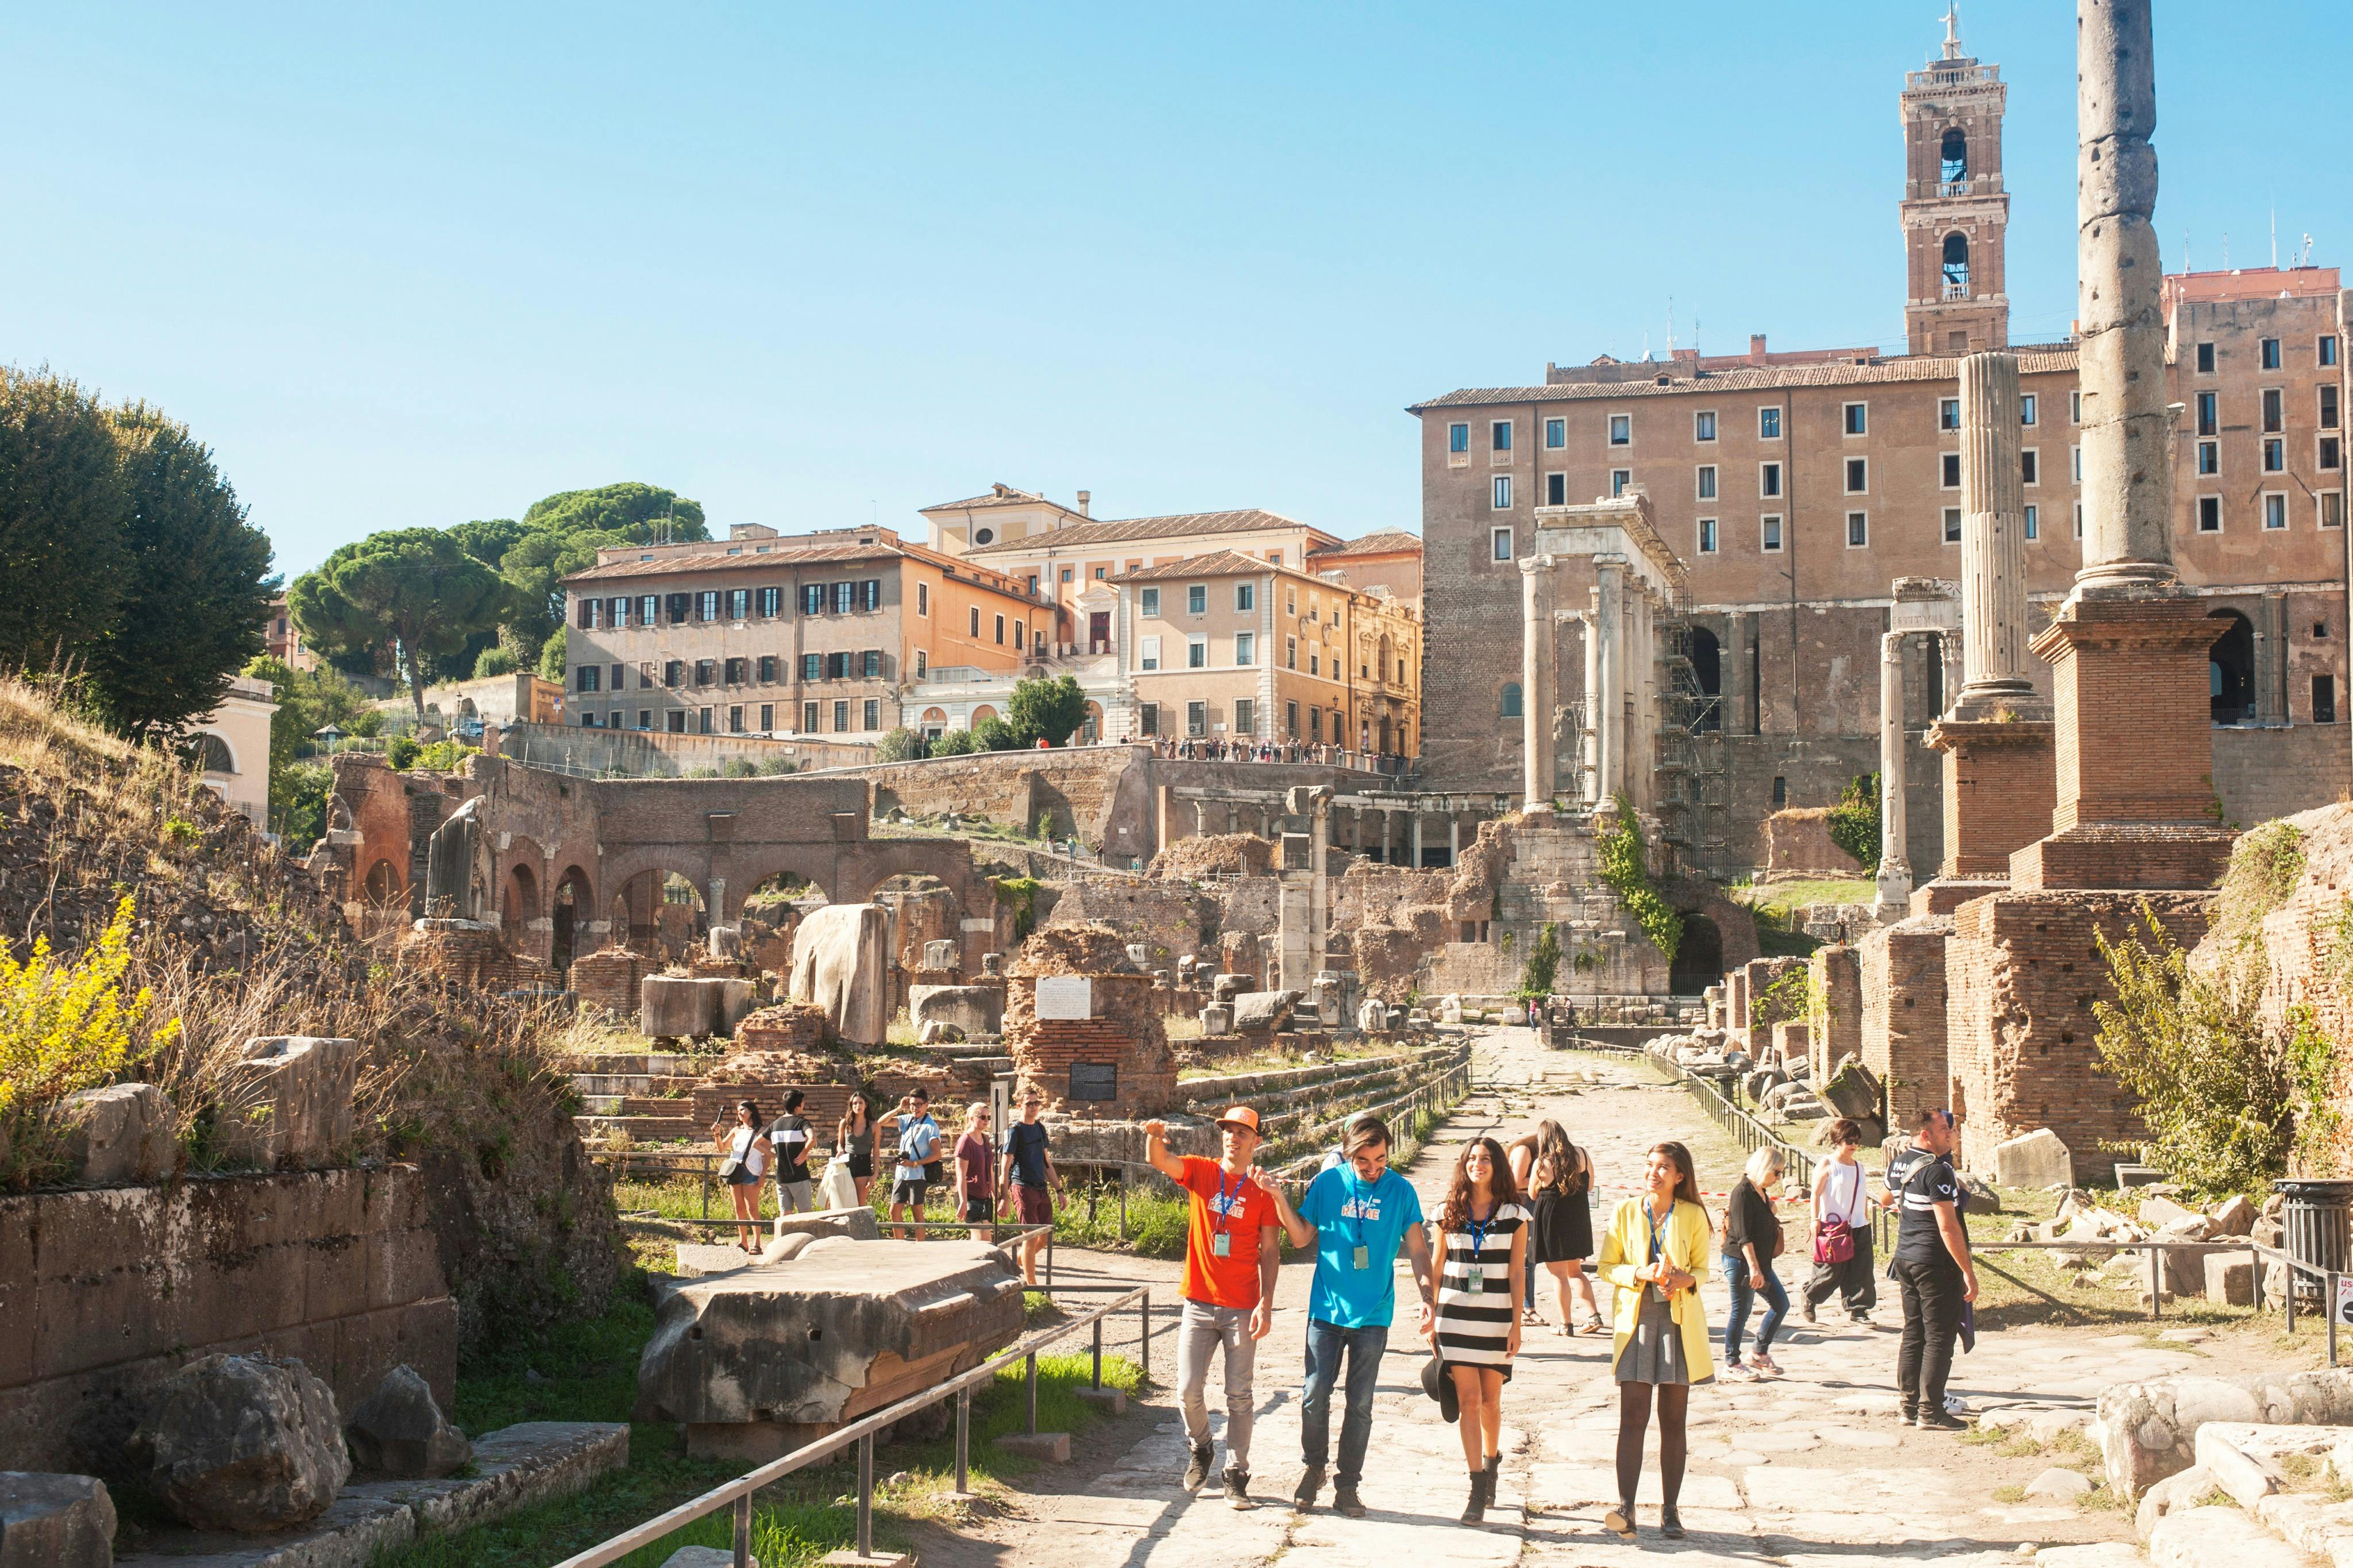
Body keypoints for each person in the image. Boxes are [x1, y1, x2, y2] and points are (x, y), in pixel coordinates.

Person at [1251, 1113, 1436, 1519]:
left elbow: (1419, 1250)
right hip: (1327, 1309)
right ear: (1349, 1154)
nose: (1373, 1169)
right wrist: (1279, 1198)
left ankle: (1348, 1485)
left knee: (1361, 1402)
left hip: (1374, 1313)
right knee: (1315, 1393)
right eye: (1364, 1162)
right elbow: (1301, 1237)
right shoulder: (1328, 1184)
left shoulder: (1401, 1190)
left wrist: (1428, 1296)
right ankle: (1313, 1468)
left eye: (1381, 1160)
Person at [1143, 1106, 1281, 1511]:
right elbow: (1160, 1160)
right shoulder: (1203, 1171)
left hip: (1242, 1306)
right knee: (1188, 1391)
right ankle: (1202, 1446)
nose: (1233, 1137)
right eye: (1228, 1131)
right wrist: (1154, 1135)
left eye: (1243, 1132)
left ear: (1256, 1141)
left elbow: (1271, 1251)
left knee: (1240, 1395)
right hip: (1199, 1300)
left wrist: (1267, 1303)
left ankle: (1236, 1474)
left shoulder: (1262, 1189)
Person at [1595, 1141, 1715, 1542]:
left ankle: (1670, 1510)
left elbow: (1703, 1270)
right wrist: (1639, 1273)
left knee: (1673, 1420)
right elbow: (1606, 1267)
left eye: (1664, 1167)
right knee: (1633, 1416)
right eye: (1650, 1165)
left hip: (1678, 1323)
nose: (1654, 1173)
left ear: (1680, 1176)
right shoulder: (1626, 1211)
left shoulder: (1693, 1215)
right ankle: (1625, 1506)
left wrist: (1686, 1279)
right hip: (1637, 1322)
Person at [1430, 1134, 1527, 1526]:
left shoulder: (1515, 1216)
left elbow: (1518, 1273)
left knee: (1491, 1401)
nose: (1478, 1165)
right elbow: (1437, 1265)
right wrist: (1429, 1314)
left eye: (1486, 1159)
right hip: (1454, 1317)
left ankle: (1491, 1462)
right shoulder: (1446, 1212)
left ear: (1497, 1165)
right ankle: (1475, 1486)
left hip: (1496, 1318)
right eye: (1472, 1158)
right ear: (1464, 1164)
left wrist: (1517, 1323)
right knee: (1468, 1400)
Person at [1882, 1107, 1978, 1431]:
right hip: (1935, 1262)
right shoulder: (1937, 1171)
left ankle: (1909, 1406)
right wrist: (1967, 1271)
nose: (1949, 1134)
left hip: (1906, 1257)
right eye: (1943, 1130)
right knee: (1939, 1336)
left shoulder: (1900, 1164)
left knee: (1914, 1333)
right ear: (1925, 1135)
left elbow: (1886, 1199)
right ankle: (1931, 1410)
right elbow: (1948, 1226)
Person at [1522, 1121, 1604, 1336]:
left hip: (1553, 1221)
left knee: (1558, 1275)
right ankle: (1593, 1315)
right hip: (1577, 1218)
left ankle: (1565, 1324)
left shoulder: (1542, 1162)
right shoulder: (1582, 1154)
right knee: (1576, 1271)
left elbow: (1532, 1194)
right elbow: (1590, 1185)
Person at [1722, 1147, 1790, 1379]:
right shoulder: (1742, 1193)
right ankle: (1731, 1362)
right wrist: (1754, 1269)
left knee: (1781, 1304)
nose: (1779, 1178)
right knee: (1741, 1311)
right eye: (1777, 1172)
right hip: (1742, 1262)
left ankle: (1759, 1352)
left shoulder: (1760, 1191)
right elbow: (1744, 1237)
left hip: (1761, 1262)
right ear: (1764, 1168)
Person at [1802, 1118, 1877, 1323]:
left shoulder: (1859, 1166)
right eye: (1849, 1141)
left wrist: (1865, 1219)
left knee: (1862, 1270)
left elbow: (1862, 1195)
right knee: (1831, 1270)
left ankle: (1859, 1310)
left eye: (1856, 1141)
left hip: (1858, 1226)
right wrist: (1814, 1219)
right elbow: (1816, 1194)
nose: (1853, 1145)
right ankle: (1810, 1295)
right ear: (1837, 1141)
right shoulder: (1828, 1163)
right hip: (1834, 1226)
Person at [996, 1087, 1060, 1285]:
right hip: (1022, 1187)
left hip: (1041, 1187)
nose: (1034, 1107)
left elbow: (1047, 1163)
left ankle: (1013, 1264)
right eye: (1029, 1104)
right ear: (1020, 1106)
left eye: (1036, 1103)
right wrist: (1004, 1198)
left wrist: (1059, 1190)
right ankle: (1032, 1286)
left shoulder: (1040, 1128)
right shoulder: (1014, 1132)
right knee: (1030, 1238)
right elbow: (1005, 1167)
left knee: (1045, 1237)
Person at [709, 1100, 774, 1254]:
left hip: (752, 1171)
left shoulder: (761, 1131)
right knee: (739, 1207)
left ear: (752, 1111)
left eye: (743, 1109)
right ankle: (743, 1242)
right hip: (735, 1170)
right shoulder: (736, 1130)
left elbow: (768, 1155)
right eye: (738, 1110)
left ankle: (757, 1243)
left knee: (753, 1208)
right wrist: (717, 1134)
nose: (740, 1113)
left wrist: (763, 1175)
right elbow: (722, 1148)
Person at [889, 1092, 942, 1241]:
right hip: (901, 1174)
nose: (915, 1108)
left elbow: (937, 1154)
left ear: (926, 1105)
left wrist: (915, 1163)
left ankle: (920, 1246)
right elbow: (882, 1122)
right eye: (912, 1104)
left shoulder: (930, 1126)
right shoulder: (908, 1120)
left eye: (919, 1104)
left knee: (917, 1213)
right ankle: (900, 1244)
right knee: (894, 1212)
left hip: (917, 1175)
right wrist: (899, 1108)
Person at [769, 1090, 815, 1227]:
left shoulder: (775, 1125)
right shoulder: (801, 1123)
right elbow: (812, 1138)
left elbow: (757, 1144)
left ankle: (783, 1239)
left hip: (782, 1177)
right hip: (799, 1175)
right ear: (798, 1106)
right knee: (805, 1215)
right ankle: (806, 1238)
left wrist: (775, 1155)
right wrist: (804, 1152)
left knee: (785, 1216)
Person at [954, 1101, 996, 1240]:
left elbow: (990, 1171)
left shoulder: (985, 1139)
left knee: (987, 1240)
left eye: (988, 1117)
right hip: (970, 1195)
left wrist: (997, 1195)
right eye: (982, 1117)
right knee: (979, 1238)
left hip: (985, 1195)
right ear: (972, 1118)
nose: (986, 1120)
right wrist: (963, 1202)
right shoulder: (965, 1141)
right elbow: (961, 1175)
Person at [837, 1090, 879, 1206]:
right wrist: (840, 1150)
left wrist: (875, 1173)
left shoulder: (874, 1125)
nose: (858, 1106)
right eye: (855, 1103)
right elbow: (840, 1144)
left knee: (860, 1205)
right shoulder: (844, 1123)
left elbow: (876, 1152)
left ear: (866, 1105)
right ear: (851, 1106)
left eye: (861, 1103)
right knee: (844, 1203)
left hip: (864, 1163)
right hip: (847, 1163)